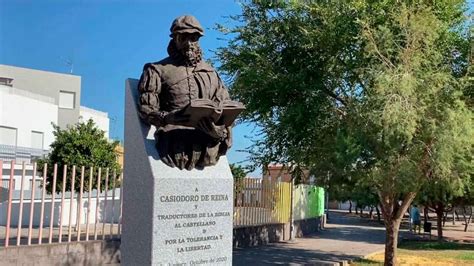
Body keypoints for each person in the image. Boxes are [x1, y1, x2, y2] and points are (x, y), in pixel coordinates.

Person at [137, 15, 233, 170]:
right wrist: (168, 117)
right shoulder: (156, 70)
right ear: (174, 39)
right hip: (174, 143)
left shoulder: (211, 73)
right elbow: (146, 109)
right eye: (183, 38)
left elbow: (227, 111)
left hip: (208, 144)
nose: (189, 44)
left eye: (194, 38)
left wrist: (218, 131)